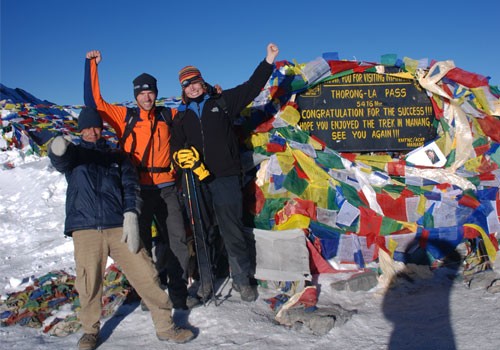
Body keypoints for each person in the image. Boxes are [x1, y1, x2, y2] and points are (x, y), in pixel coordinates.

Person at [48, 108, 194, 350]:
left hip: (118, 227)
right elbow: (60, 160)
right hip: (85, 229)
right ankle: (90, 331)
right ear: (80, 130)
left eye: (96, 127)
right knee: (89, 282)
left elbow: (130, 187)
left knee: (146, 274)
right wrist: (57, 148)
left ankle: (166, 326)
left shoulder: (118, 157)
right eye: (87, 128)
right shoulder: (75, 156)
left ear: (101, 128)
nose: (92, 132)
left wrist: (130, 215)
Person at [83, 51, 193, 310]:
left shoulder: (169, 116)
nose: (147, 97)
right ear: (135, 95)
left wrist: (213, 94)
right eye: (142, 93)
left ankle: (178, 293)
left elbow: (195, 116)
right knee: (140, 245)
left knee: (175, 239)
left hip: (167, 189)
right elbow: (93, 101)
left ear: (156, 93)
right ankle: (150, 293)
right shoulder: (125, 117)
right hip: (137, 191)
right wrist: (91, 66)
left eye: (150, 92)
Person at [171, 43, 279, 302]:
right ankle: (206, 284)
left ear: (202, 81)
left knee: (231, 229)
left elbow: (251, 88)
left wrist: (268, 60)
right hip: (197, 182)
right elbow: (175, 147)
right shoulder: (180, 117)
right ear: (183, 89)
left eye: (195, 81)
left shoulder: (223, 101)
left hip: (227, 178)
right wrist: (180, 157)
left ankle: (243, 280)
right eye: (187, 84)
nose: (193, 86)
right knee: (202, 233)